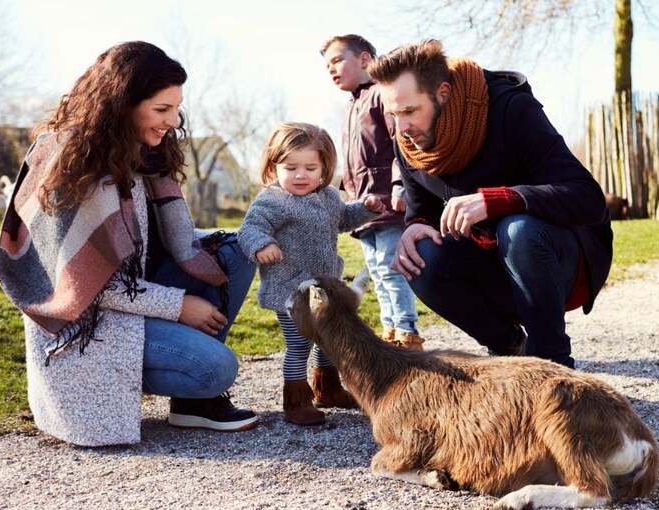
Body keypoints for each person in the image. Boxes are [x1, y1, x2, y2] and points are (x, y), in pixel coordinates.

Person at [0, 41, 259, 447]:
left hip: (138, 291)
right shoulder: (72, 162)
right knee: (216, 368)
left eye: (176, 108)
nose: (173, 121)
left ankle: (193, 405)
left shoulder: (145, 153)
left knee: (238, 249)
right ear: (122, 103)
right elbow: (85, 288)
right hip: (91, 321)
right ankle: (198, 386)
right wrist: (179, 306)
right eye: (161, 109)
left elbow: (180, 241)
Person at [368, 40, 613, 369]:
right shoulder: (409, 144)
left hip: (561, 261)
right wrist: (414, 227)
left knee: (518, 228)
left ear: (443, 93)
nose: (402, 128)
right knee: (418, 254)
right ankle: (510, 347)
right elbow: (421, 211)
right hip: (493, 266)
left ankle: (554, 369)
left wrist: (499, 200)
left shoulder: (510, 109)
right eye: (393, 114)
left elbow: (587, 197)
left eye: (410, 111)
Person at [237, 122, 384, 426]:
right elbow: (250, 228)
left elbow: (344, 219)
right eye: (290, 167)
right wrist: (261, 244)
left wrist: (368, 209)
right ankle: (296, 401)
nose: (300, 175)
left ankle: (327, 389)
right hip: (290, 292)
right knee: (299, 345)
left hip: (324, 287)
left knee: (327, 339)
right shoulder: (272, 200)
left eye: (310, 167)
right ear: (274, 166)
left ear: (324, 168)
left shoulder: (329, 197)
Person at [321, 34, 424, 351]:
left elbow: (402, 143)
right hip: (362, 206)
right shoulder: (351, 106)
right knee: (377, 272)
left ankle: (407, 331)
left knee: (392, 268)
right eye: (327, 66)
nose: (331, 69)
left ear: (364, 60)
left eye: (337, 60)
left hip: (387, 201)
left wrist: (399, 183)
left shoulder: (382, 95)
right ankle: (390, 329)